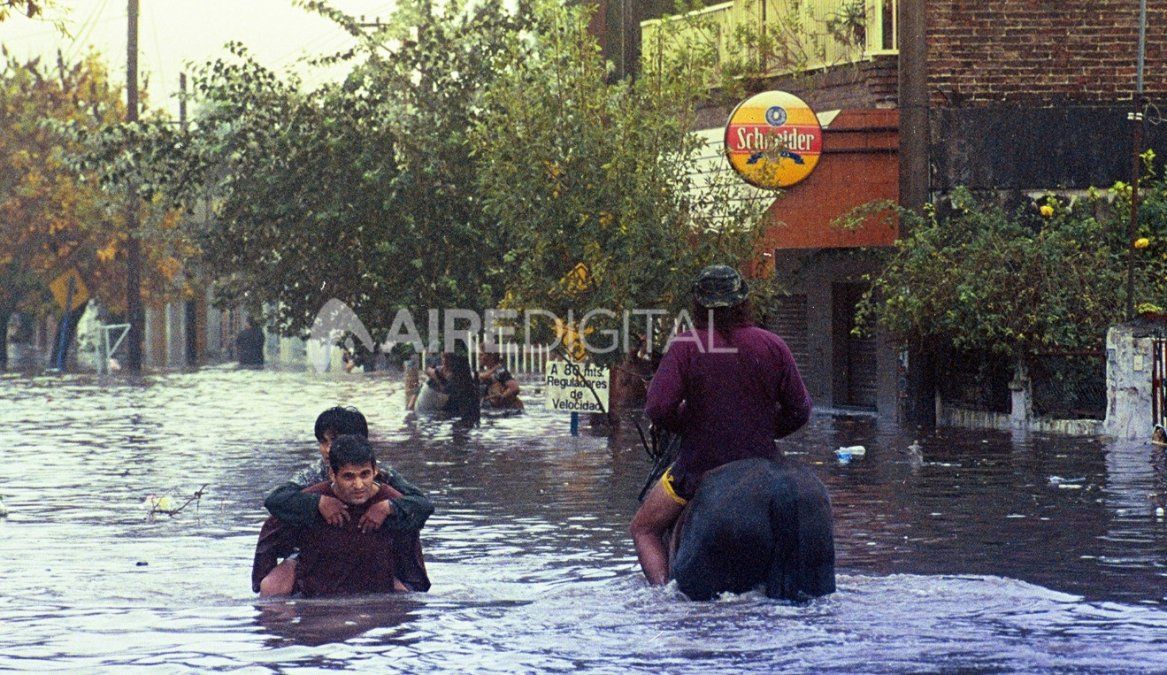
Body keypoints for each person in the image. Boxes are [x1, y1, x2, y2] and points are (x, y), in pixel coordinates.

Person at [629, 265, 813, 586]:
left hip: (699, 467)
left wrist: (689, 424)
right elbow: (800, 409)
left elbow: (657, 407)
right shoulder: (773, 345)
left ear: (698, 306)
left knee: (643, 529)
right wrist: (761, 428)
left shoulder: (687, 345)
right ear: (744, 303)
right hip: (764, 466)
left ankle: (663, 596)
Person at [258, 406, 434, 595]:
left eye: (334, 441)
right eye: (323, 441)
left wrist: (387, 507)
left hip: (373, 553)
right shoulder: (315, 474)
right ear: (333, 475)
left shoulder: (381, 474)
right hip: (316, 552)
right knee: (273, 586)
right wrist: (318, 503)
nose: (327, 449)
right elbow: (276, 500)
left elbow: (421, 504)